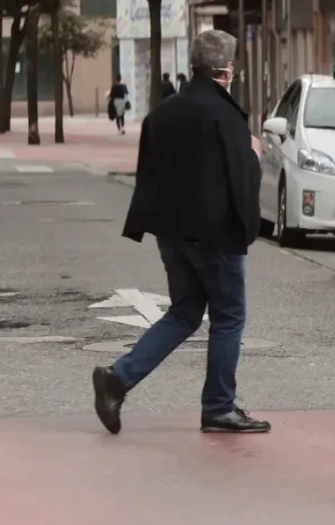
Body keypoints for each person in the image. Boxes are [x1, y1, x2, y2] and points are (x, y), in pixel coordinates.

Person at [91, 30, 269, 435]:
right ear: (226, 70)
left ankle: (118, 378)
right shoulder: (225, 116)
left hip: (171, 233)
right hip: (215, 236)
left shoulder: (164, 113)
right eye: (233, 67)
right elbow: (243, 180)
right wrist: (255, 156)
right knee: (228, 316)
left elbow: (150, 173)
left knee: (185, 311)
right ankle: (219, 407)